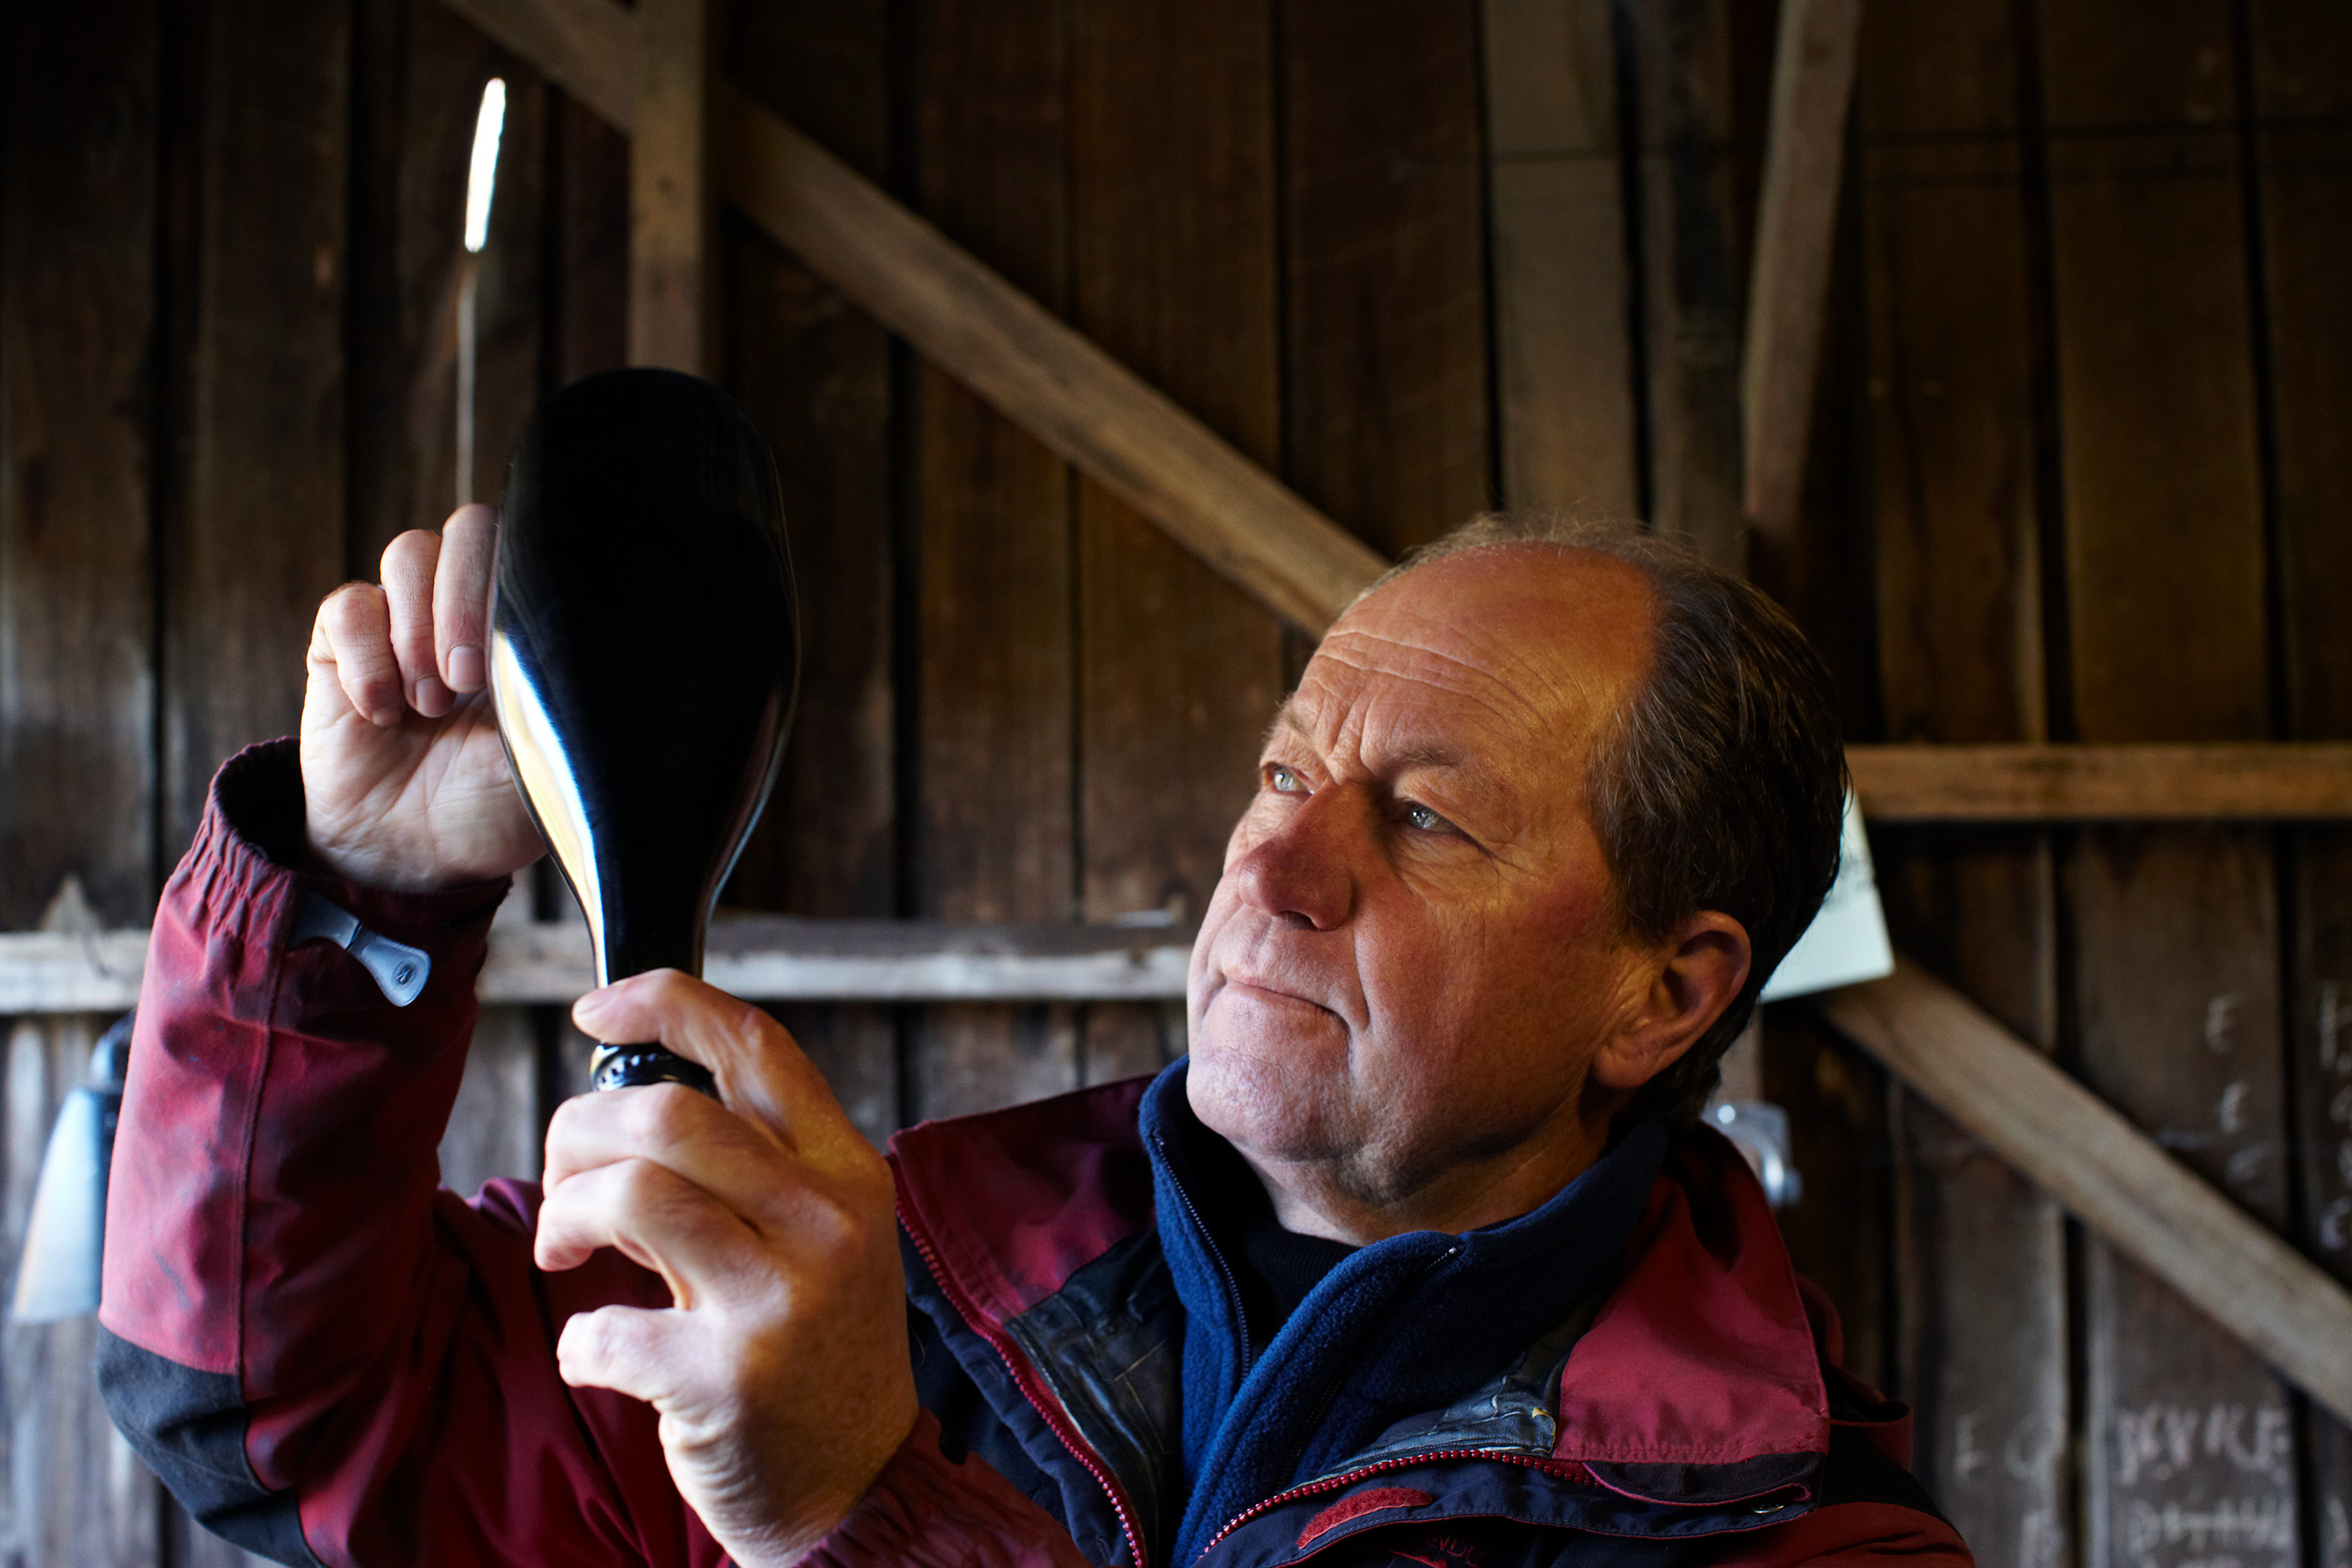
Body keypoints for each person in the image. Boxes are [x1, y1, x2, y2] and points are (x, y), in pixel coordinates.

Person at [98, 508, 1969, 1568]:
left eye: (1422, 817)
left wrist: (862, 1509)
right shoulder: (898, 1270)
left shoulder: (1808, 1540)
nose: (1275, 859)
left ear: (1670, 989)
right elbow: (280, 1410)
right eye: (1283, 767)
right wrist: (355, 900)